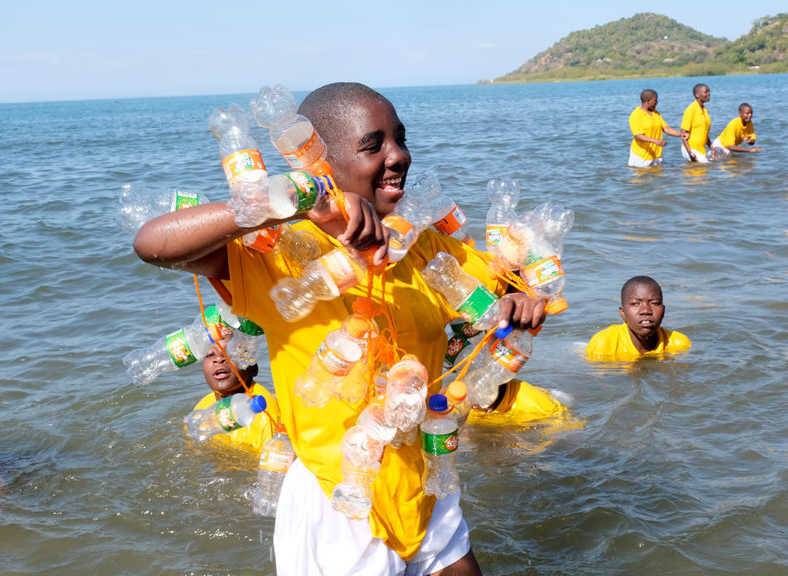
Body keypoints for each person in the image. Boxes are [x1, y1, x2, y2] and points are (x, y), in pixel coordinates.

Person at [134, 82, 547, 575]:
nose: (398, 157)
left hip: (422, 479)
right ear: (317, 159)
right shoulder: (282, 253)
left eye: (400, 139)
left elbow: (510, 284)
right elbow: (153, 243)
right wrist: (291, 199)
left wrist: (521, 299)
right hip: (339, 498)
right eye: (373, 145)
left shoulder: (424, 247)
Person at [191, 330, 280, 452]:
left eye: (230, 353)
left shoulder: (265, 415)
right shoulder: (204, 405)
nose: (219, 359)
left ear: (253, 369)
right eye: (211, 355)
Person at [586, 276, 690, 361]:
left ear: (663, 310)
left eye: (654, 303)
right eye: (635, 303)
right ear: (623, 313)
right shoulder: (603, 344)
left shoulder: (679, 344)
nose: (646, 310)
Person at [628, 89, 685, 168]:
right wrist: (655, 141)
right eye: (655, 100)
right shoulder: (636, 115)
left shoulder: (655, 113)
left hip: (656, 154)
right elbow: (638, 135)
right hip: (641, 156)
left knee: (658, 178)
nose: (657, 103)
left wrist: (681, 134)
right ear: (648, 101)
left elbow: (665, 128)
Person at [680, 84, 714, 163]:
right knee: (704, 166)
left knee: (701, 172)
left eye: (709, 91)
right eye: (706, 92)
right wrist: (690, 153)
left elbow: (704, 132)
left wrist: (712, 148)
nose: (709, 94)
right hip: (690, 147)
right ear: (697, 95)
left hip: (700, 149)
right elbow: (683, 133)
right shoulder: (691, 110)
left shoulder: (704, 110)